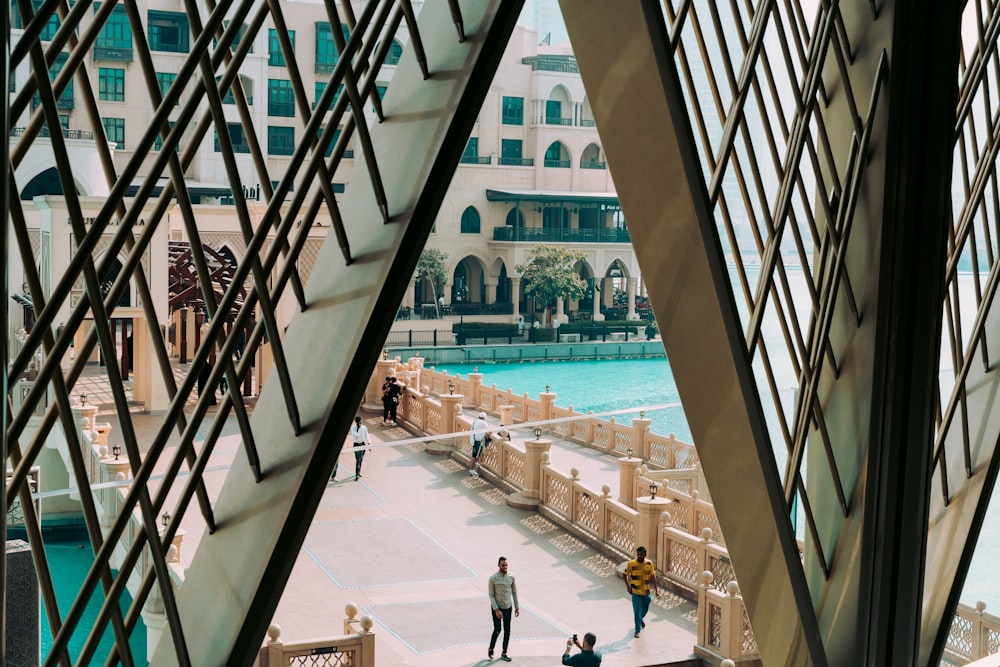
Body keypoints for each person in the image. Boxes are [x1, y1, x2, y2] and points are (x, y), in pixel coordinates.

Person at [487, 556, 519, 662]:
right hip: (497, 607)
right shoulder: (493, 578)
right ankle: (491, 649)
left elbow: (514, 592)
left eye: (506, 565)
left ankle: (504, 652)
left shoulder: (511, 576)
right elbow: (491, 595)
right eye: (503, 565)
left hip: (508, 607)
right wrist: (496, 610)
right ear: (498, 565)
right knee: (497, 629)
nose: (505, 567)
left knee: (507, 631)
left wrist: (517, 607)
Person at [623, 546, 659, 638]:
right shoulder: (631, 563)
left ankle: (640, 619)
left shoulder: (649, 563)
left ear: (645, 555)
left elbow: (653, 576)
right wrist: (628, 587)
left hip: (646, 591)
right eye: (638, 554)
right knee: (637, 611)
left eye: (641, 554)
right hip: (635, 592)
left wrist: (656, 589)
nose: (639, 556)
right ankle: (637, 630)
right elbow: (625, 575)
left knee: (646, 606)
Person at [349, 416, 369, 481]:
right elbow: (355, 435)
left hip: (363, 445)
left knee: (361, 459)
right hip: (356, 445)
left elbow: (367, 435)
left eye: (360, 422)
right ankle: (357, 474)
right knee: (358, 459)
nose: (359, 423)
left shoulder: (364, 428)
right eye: (358, 422)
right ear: (356, 422)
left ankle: (358, 471)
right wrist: (358, 428)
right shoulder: (353, 428)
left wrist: (369, 443)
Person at [469, 411, 489, 475]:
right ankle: (471, 470)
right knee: (474, 456)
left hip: (473, 440)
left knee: (475, 455)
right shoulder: (484, 423)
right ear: (484, 418)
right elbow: (488, 432)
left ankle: (474, 464)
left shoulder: (475, 421)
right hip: (478, 442)